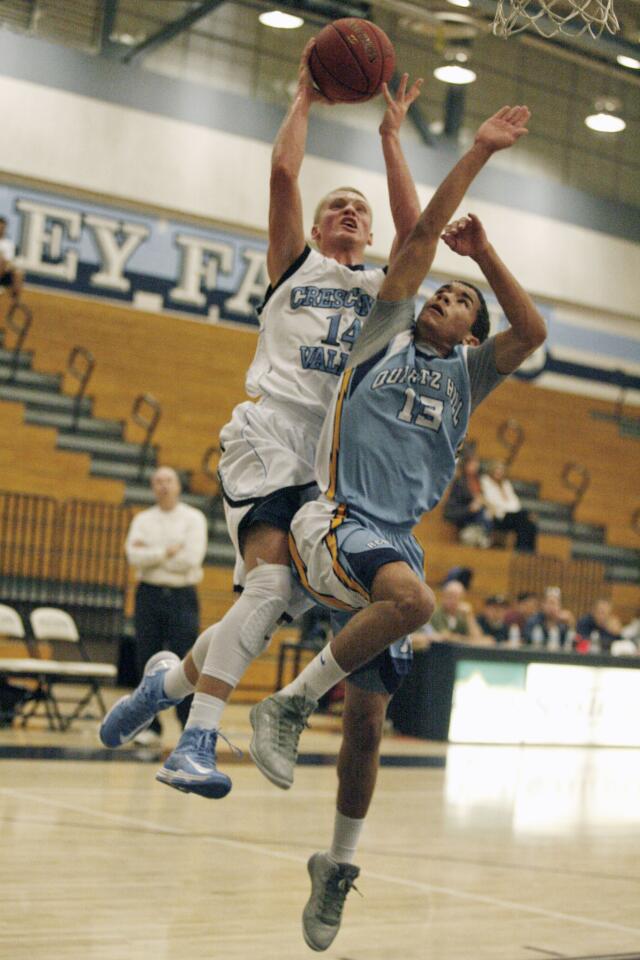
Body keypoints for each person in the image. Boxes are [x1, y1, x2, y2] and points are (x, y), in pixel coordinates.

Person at [249, 105, 543, 951]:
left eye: (459, 301)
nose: (443, 297)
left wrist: (486, 255)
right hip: (337, 517)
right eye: (442, 288)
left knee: (371, 724)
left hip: (392, 545)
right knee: (416, 601)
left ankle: (336, 864)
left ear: (468, 333)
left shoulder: (473, 376)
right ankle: (291, 705)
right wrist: (477, 152)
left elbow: (533, 331)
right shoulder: (382, 333)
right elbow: (416, 241)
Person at [100, 41, 424, 792]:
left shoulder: (385, 292)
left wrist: (389, 138)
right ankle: (196, 745)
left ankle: (163, 690)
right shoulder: (295, 267)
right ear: (315, 232)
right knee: (271, 593)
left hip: (328, 467)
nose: (349, 212)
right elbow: (283, 173)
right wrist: (305, 98)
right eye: (336, 208)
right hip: (265, 436)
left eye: (360, 210)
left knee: (264, 608)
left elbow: (420, 234)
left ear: (369, 237)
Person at [110, 466, 207, 743]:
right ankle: (148, 727)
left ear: (178, 485)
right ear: (153, 487)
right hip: (148, 595)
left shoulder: (193, 518)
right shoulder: (142, 519)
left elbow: (190, 559)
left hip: (182, 596)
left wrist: (150, 555)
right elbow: (133, 556)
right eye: (158, 481)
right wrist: (166, 551)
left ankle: (188, 727)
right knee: (147, 658)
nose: (163, 486)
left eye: (169, 480)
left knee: (186, 661)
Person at [480, 458, 537, 552]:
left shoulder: (506, 484)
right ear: (491, 471)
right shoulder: (485, 482)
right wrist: (508, 506)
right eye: (496, 471)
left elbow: (516, 503)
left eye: (501, 472)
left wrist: (508, 506)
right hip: (499, 516)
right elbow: (494, 501)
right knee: (524, 517)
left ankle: (528, 551)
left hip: (512, 515)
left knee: (531, 524)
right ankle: (521, 550)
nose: (499, 474)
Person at [443, 454, 492, 547]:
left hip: (476, 512)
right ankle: (475, 536)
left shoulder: (478, 480)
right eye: (472, 464)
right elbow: (456, 504)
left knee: (485, 513)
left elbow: (481, 498)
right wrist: (470, 508)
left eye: (476, 463)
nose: (475, 466)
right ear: (466, 465)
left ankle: (480, 535)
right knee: (481, 513)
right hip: (462, 511)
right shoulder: (460, 482)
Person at [0, 217, 23, 302]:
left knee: (18, 273)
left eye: (2, 228)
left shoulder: (8, 244)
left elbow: (9, 261)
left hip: (3, 271)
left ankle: (15, 302)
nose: (0, 229)